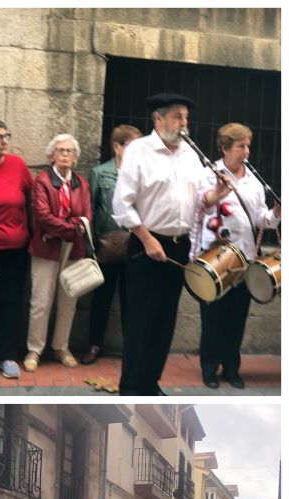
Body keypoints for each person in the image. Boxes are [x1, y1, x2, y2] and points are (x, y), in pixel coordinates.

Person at [112, 92, 230, 395]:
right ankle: (131, 387)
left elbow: (200, 200)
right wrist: (147, 238)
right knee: (140, 323)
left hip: (178, 247)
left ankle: (150, 383)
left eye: (186, 118)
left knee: (164, 323)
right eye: (178, 116)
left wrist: (218, 192)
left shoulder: (190, 154)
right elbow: (122, 204)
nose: (184, 123)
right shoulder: (139, 150)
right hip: (146, 245)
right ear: (159, 119)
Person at [191, 123, 281, 390]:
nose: (246, 151)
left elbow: (261, 219)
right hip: (216, 256)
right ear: (225, 148)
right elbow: (200, 207)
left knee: (236, 317)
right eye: (241, 146)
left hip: (245, 255)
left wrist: (276, 212)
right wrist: (215, 194)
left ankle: (232, 368)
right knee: (213, 317)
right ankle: (209, 368)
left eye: (248, 146)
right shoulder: (209, 174)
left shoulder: (253, 180)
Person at [24, 134, 92, 372]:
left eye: (70, 151)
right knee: (41, 300)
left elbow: (86, 217)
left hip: (74, 248)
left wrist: (68, 228)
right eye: (61, 150)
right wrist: (71, 228)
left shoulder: (82, 184)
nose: (65, 154)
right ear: (51, 155)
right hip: (46, 247)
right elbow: (43, 217)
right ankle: (35, 349)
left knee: (68, 300)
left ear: (75, 157)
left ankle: (61, 346)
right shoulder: (42, 181)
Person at [80, 124, 142, 364]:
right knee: (102, 299)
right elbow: (90, 210)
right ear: (117, 147)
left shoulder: (141, 174)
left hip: (134, 245)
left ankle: (131, 349)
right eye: (131, 145)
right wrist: (90, 246)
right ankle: (95, 345)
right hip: (106, 245)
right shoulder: (100, 173)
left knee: (131, 300)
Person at [0, 118, 34, 379]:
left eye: (7, 135)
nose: (5, 141)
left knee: (10, 302)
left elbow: (30, 201)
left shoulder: (18, 165)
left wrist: (32, 237)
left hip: (15, 249)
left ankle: (6, 355)